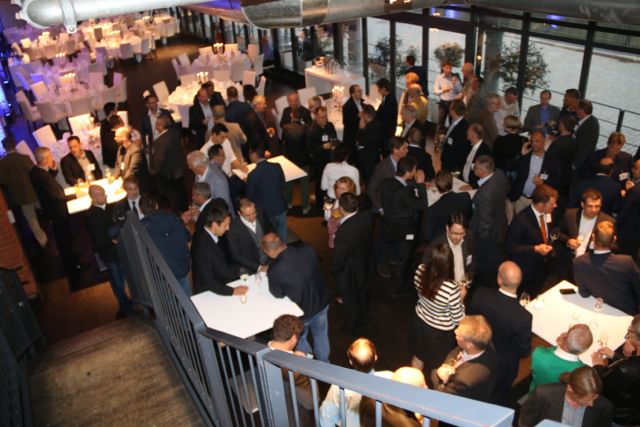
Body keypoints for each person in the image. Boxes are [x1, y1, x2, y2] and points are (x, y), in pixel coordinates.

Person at [468, 261, 531, 403]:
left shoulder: (480, 295)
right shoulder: (524, 317)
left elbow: (471, 321)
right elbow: (524, 352)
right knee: (497, 397)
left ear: (499, 279)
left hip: (478, 354)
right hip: (504, 367)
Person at [262, 232, 330, 362]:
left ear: (269, 252)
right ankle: (325, 364)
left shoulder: (275, 270)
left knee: (301, 340)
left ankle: (305, 366)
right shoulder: (307, 249)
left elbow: (277, 294)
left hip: (301, 314)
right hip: (321, 302)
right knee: (321, 336)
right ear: (283, 243)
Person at [410, 243, 465, 376]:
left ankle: (412, 386)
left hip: (419, 322)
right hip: (439, 333)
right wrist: (462, 298)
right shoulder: (451, 289)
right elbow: (458, 319)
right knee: (438, 366)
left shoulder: (420, 271)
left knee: (418, 357)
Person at [29, 147, 81, 277]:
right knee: (63, 238)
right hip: (56, 210)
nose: (52, 158)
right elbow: (53, 194)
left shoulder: (36, 171)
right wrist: (74, 196)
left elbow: (50, 177)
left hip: (53, 209)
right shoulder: (41, 176)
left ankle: (70, 256)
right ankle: (71, 264)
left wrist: (53, 168)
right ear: (45, 159)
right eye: (50, 156)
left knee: (64, 236)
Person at [380, 156, 427, 296]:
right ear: (408, 172)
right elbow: (422, 205)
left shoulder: (386, 182)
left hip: (388, 225)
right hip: (404, 229)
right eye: (414, 170)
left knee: (400, 256)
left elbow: (400, 189)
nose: (415, 172)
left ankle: (400, 280)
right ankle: (397, 288)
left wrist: (413, 185)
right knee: (404, 258)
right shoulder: (404, 192)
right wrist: (421, 185)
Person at [319, 338, 393, 427]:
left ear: (350, 362)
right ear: (376, 357)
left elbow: (326, 418)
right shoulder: (390, 379)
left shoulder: (339, 386)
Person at [573, 221, 640, 315]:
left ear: (593, 237)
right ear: (614, 239)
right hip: (626, 313)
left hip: (598, 310)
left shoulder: (579, 262)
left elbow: (584, 294)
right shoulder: (626, 262)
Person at [86, 185, 133, 316]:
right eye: (102, 194)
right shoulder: (93, 216)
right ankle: (125, 308)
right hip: (110, 254)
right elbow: (100, 240)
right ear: (94, 197)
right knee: (118, 281)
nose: (105, 196)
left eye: (104, 193)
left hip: (114, 252)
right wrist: (115, 240)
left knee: (118, 279)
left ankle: (126, 304)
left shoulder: (105, 208)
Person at [506, 184, 558, 297]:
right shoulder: (521, 220)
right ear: (541, 205)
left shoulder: (548, 213)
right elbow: (511, 247)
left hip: (542, 268)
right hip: (526, 271)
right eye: (552, 204)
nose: (555, 206)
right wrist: (534, 249)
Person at [332, 192, 374, 332]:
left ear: (341, 209)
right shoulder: (367, 216)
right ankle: (364, 316)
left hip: (349, 271)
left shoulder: (344, 232)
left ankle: (354, 324)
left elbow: (339, 258)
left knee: (350, 299)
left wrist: (336, 271)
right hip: (364, 262)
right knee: (362, 293)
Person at [431, 315, 497, 403]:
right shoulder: (482, 342)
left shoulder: (464, 380)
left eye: (459, 334)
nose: (455, 331)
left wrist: (444, 380)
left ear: (469, 345)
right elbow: (458, 350)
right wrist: (448, 364)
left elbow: (443, 396)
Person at [519, 366, 613, 427]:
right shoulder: (542, 394)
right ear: (570, 388)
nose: (592, 404)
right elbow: (525, 423)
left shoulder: (604, 406)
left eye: (594, 398)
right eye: (586, 399)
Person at [267, 314, 316, 425]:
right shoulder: (295, 369)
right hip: (293, 415)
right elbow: (310, 401)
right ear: (294, 338)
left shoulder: (260, 349)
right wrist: (305, 363)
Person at [591, 315, 640, 426]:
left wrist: (598, 366)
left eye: (630, 330)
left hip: (618, 416)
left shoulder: (627, 369)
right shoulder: (629, 367)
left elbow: (602, 386)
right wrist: (615, 355)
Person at [469, 156, 510, 285]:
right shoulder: (499, 174)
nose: (473, 168)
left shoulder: (485, 193)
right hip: (500, 223)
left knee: (485, 259)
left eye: (475, 167)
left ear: (483, 171)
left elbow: (485, 222)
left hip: (490, 234)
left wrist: (479, 240)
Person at [139, 196, 192, 296]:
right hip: (181, 267)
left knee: (169, 302)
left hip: (161, 273)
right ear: (156, 206)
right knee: (187, 298)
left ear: (141, 211)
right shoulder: (173, 218)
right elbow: (188, 237)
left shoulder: (141, 228)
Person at [0, 136, 47, 247]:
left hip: (19, 195)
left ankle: (43, 241)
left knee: (32, 220)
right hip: (33, 191)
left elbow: (2, 180)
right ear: (14, 144)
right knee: (47, 210)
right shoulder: (24, 158)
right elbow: (34, 172)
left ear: (4, 147)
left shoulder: (2, 163)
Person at [190, 203, 246, 296]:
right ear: (214, 224)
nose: (228, 228)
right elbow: (208, 280)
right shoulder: (202, 247)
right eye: (225, 225)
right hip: (208, 293)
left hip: (221, 282)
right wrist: (233, 291)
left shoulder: (211, 233)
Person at [507, 130, 561, 216]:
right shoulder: (525, 156)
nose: (534, 144)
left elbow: (557, 180)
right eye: (532, 141)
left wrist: (543, 182)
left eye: (537, 141)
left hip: (538, 202)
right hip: (520, 198)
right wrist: (521, 155)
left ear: (544, 141)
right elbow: (509, 166)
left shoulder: (551, 160)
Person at [530, 323, 593, 391]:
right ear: (584, 350)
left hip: (535, 391)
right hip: (557, 395)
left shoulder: (539, 354)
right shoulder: (581, 371)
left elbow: (546, 352)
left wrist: (559, 344)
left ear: (565, 337)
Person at [359, 367, 427, 427]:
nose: (426, 388)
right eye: (422, 385)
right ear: (410, 396)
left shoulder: (369, 396)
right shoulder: (410, 425)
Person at [247, 144, 288, 240]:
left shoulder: (252, 175)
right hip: (280, 207)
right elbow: (283, 185)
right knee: (282, 235)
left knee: (269, 238)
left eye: (250, 153)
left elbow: (250, 196)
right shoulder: (277, 166)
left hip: (265, 212)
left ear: (254, 154)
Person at [560, 189, 615, 259]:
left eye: (597, 206)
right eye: (590, 206)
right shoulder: (570, 215)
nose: (594, 210)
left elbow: (614, 245)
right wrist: (568, 241)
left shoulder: (608, 221)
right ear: (582, 204)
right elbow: (559, 233)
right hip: (569, 260)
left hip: (591, 262)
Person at [422, 170, 472, 243]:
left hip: (443, 243)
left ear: (437, 185)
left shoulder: (432, 210)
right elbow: (470, 217)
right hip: (463, 238)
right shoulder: (465, 197)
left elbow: (428, 236)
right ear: (452, 182)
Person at [150, 115, 186, 212]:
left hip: (168, 172)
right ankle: (184, 207)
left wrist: (155, 171)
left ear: (160, 125)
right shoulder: (175, 132)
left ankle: (177, 210)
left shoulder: (160, 141)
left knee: (172, 193)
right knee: (181, 190)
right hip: (179, 168)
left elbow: (159, 160)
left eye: (156, 124)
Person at [428, 213, 476, 285]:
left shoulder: (469, 238)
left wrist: (465, 284)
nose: (458, 238)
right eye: (455, 233)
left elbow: (472, 264)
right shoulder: (436, 246)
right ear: (447, 228)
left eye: (462, 233)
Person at [226, 198, 271, 273]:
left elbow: (270, 231)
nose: (252, 218)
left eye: (254, 213)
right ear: (239, 213)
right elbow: (236, 256)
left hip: (269, 260)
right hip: (251, 267)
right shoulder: (232, 229)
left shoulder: (261, 213)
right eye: (247, 215)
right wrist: (258, 267)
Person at [306, 106, 338, 209]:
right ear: (316, 117)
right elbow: (309, 150)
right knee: (321, 184)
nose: (325, 119)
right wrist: (322, 147)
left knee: (331, 182)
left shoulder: (330, 125)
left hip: (331, 159)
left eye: (326, 116)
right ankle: (320, 206)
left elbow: (335, 138)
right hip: (319, 162)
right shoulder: (312, 131)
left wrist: (333, 143)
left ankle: (331, 203)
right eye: (322, 117)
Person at [367, 137, 409, 214]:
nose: (407, 150)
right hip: (385, 209)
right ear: (395, 150)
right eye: (404, 148)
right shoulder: (382, 167)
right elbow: (371, 190)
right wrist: (380, 208)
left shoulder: (405, 163)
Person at [282, 107, 311, 213]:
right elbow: (307, 145)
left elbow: (284, 143)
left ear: (291, 116)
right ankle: (305, 207)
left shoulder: (285, 128)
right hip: (303, 159)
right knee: (305, 184)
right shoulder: (306, 128)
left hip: (290, 159)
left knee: (288, 184)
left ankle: (289, 203)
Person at [187, 149, 233, 216]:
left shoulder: (219, 180)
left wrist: (202, 214)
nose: (189, 168)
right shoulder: (198, 174)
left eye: (190, 166)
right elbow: (196, 193)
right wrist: (193, 208)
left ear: (198, 167)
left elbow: (222, 206)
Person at [546, 114, 578, 200]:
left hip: (554, 177)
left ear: (562, 125)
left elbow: (548, 159)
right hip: (566, 176)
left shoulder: (558, 143)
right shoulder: (574, 142)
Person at [114, 126, 150, 191]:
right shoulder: (121, 148)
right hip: (125, 181)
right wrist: (115, 177)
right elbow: (118, 164)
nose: (115, 138)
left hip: (137, 185)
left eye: (117, 136)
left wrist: (123, 184)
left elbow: (132, 171)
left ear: (124, 137)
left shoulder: (136, 150)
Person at [325, 177, 357, 249]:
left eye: (343, 189)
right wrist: (327, 210)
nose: (339, 191)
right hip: (333, 234)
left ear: (350, 190)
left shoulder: (351, 206)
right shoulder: (337, 200)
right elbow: (328, 219)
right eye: (338, 188)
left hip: (343, 238)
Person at [617, 159, 640, 260]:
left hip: (629, 233)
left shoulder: (635, 191)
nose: (632, 170)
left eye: (636, 168)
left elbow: (624, 212)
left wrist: (627, 194)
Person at [354, 104, 383, 183]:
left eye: (363, 113)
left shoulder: (375, 126)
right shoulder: (369, 123)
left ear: (366, 115)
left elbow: (363, 141)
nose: (361, 115)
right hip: (366, 157)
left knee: (369, 180)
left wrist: (360, 129)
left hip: (370, 159)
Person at [572, 99, 600, 181]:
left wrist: (574, 165)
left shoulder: (590, 125)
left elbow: (584, 149)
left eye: (577, 108)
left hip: (579, 165)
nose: (575, 110)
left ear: (582, 110)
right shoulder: (587, 120)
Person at [440, 99, 470, 173]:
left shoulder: (463, 128)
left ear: (453, 111)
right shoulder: (453, 121)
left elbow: (460, 150)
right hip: (446, 160)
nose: (448, 109)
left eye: (450, 108)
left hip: (452, 165)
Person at [433, 61, 462, 131]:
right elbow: (435, 91)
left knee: (452, 122)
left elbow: (461, 91)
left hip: (453, 103)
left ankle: (449, 136)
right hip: (443, 102)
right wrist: (443, 91)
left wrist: (455, 83)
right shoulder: (439, 78)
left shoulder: (455, 77)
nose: (449, 70)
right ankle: (437, 137)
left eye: (450, 68)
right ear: (443, 68)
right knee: (440, 123)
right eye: (447, 68)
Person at [461, 123, 492, 188]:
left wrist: (473, 186)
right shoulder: (469, 145)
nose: (466, 132)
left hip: (472, 187)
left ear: (473, 135)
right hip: (463, 181)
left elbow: (485, 174)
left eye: (468, 131)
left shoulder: (485, 152)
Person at [374, 78, 398, 148]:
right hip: (385, 130)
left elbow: (383, 116)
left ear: (384, 89)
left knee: (386, 150)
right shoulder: (386, 97)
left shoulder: (390, 100)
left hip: (387, 132)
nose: (378, 90)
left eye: (379, 88)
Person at [100, 102, 119, 168]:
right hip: (112, 153)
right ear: (111, 111)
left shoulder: (113, 119)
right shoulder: (105, 123)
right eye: (116, 108)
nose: (117, 110)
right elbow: (105, 141)